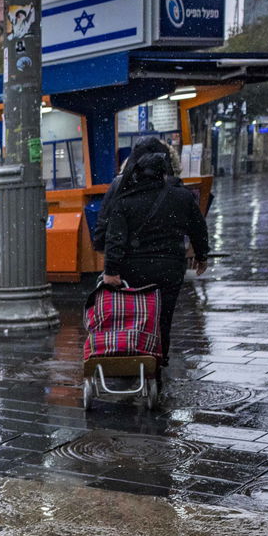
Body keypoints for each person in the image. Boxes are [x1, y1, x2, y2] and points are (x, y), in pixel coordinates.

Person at [101, 147, 209, 370]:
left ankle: (137, 353)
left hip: (134, 268)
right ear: (164, 173)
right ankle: (160, 357)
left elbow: (115, 238)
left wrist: (111, 271)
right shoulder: (182, 197)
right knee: (164, 316)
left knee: (136, 313)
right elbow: (198, 227)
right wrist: (201, 255)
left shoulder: (125, 201)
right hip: (170, 268)